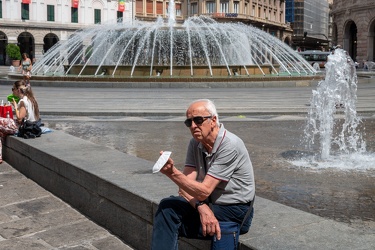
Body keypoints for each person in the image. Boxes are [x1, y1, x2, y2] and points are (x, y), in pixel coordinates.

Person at [151, 99, 255, 249]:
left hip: (234, 209)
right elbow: (184, 188)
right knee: (167, 208)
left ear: (213, 120)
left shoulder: (230, 145)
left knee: (172, 220)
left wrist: (172, 173)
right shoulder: (195, 143)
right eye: (189, 122)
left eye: (198, 120)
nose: (193, 126)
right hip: (209, 203)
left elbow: (203, 190)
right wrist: (202, 207)